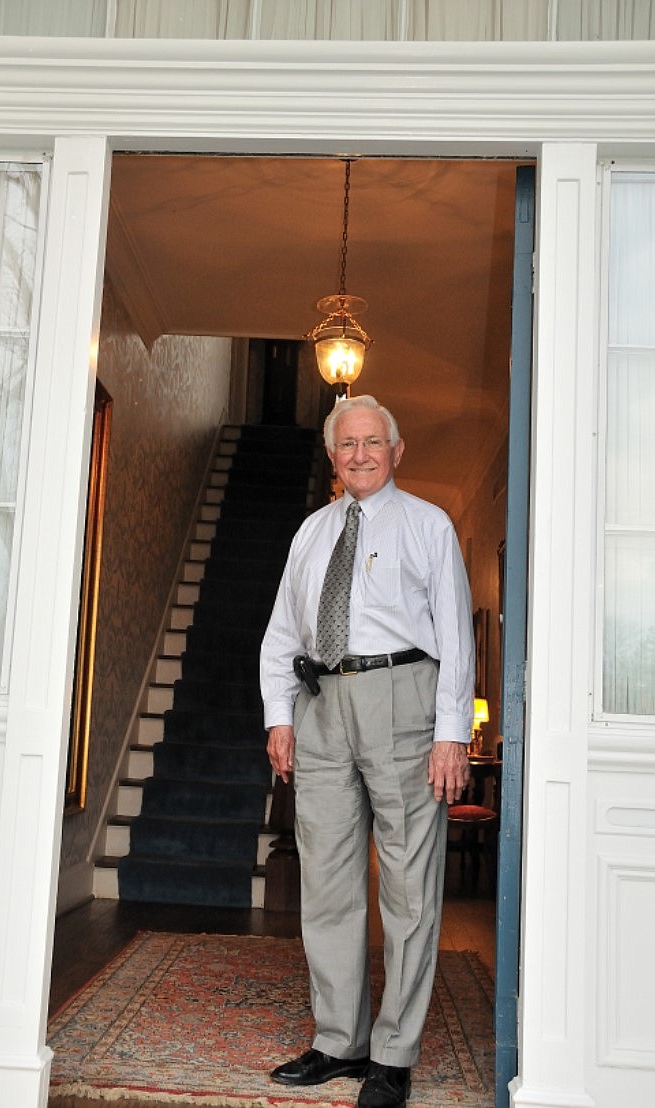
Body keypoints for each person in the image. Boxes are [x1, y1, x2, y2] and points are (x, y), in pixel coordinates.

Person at [259, 394, 474, 1108]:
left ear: (395, 449)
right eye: (345, 444)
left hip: (403, 698)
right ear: (332, 455)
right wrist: (278, 719)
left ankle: (392, 1053)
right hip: (320, 705)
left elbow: (454, 633)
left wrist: (451, 734)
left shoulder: (427, 525)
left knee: (407, 886)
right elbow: (282, 634)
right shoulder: (312, 532)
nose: (358, 455)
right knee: (325, 879)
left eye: (371, 443)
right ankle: (337, 1039)